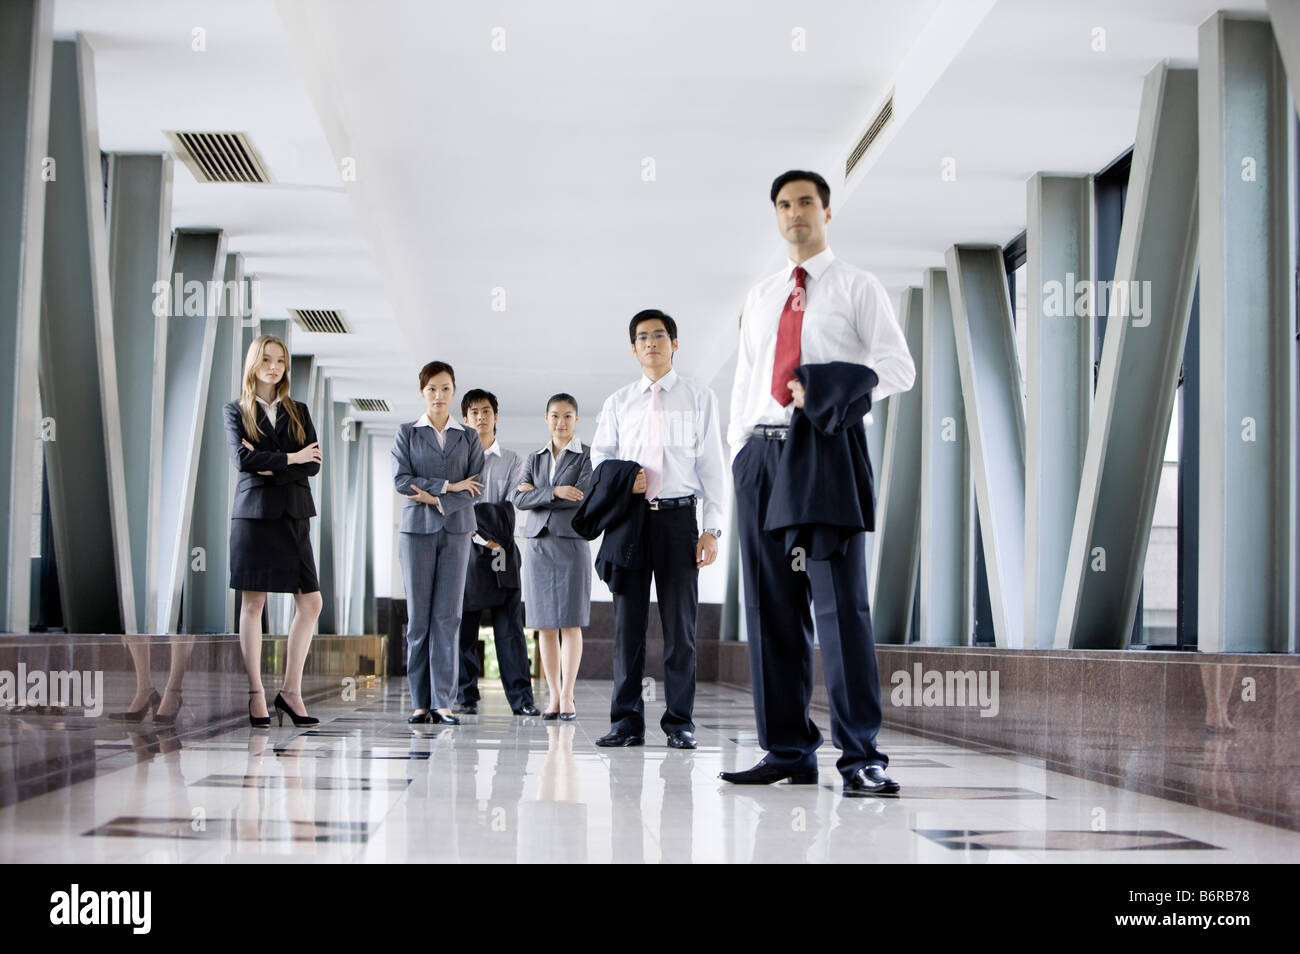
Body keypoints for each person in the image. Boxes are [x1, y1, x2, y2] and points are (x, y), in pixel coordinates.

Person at [724, 169, 915, 796]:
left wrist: (829, 384)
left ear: (827, 212)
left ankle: (861, 754)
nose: (794, 212)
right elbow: (749, 376)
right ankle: (786, 750)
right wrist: (738, 453)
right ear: (776, 215)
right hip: (761, 457)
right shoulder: (761, 295)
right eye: (784, 204)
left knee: (839, 609)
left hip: (823, 450)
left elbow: (897, 368)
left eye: (806, 202)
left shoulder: (858, 287)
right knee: (770, 608)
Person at [587, 309, 726, 749]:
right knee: (627, 627)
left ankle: (680, 722)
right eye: (642, 337)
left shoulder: (699, 398)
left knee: (680, 629)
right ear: (633, 348)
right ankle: (626, 722)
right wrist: (626, 478)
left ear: (675, 343)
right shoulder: (618, 402)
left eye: (660, 336)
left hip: (679, 521)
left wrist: (713, 530)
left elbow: (714, 470)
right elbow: (599, 460)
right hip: (630, 521)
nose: (651, 343)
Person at [222, 334, 324, 729]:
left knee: (311, 603)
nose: (274, 366)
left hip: (293, 516)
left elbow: (313, 463)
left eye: (280, 360)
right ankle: (255, 693)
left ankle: (290, 691)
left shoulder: (298, 409)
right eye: (266, 359)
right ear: (253, 363)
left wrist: (272, 463)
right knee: (253, 605)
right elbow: (241, 459)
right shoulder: (236, 411)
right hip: (254, 517)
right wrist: (289, 458)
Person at [392, 361, 486, 725]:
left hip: (458, 532)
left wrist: (436, 498)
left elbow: (475, 487)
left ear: (453, 391)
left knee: (448, 618)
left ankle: (442, 702)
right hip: (416, 533)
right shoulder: (407, 433)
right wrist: (447, 487)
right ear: (422, 392)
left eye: (445, 388)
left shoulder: (468, 437)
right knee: (419, 620)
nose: (439, 395)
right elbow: (402, 480)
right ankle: (419, 701)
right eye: (432, 388)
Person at [454, 388, 540, 716]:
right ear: (464, 419)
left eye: (486, 411)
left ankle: (522, 700)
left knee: (511, 630)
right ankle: (466, 697)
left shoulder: (512, 461)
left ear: (495, 417)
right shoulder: (456, 462)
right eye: (473, 412)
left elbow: (509, 509)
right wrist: (478, 526)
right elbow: (455, 507)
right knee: (465, 629)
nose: (480, 417)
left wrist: (480, 516)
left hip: (502, 552)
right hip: (466, 551)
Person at [511, 394, 592, 720]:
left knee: (570, 623)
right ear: (546, 419)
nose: (561, 422)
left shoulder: (586, 457)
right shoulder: (534, 457)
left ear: (576, 420)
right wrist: (556, 491)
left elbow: (582, 497)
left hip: (571, 544)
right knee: (544, 625)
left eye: (568, 416)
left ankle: (569, 695)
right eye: (555, 416)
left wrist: (539, 494)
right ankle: (554, 697)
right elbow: (518, 497)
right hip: (538, 546)